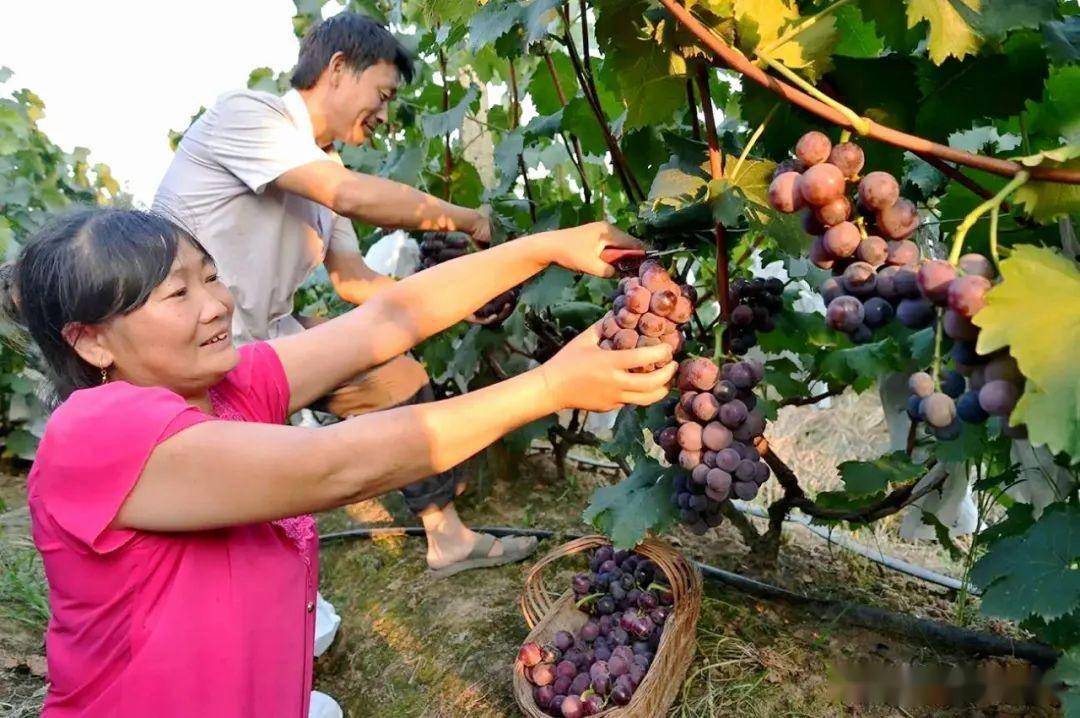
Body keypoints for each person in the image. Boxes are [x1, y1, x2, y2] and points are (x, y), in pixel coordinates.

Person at [9, 208, 674, 716]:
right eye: (178, 295)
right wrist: (549, 388)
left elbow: (387, 318)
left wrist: (544, 248)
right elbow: (336, 465)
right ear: (93, 341)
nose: (216, 304)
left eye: (209, 276)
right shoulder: (95, 433)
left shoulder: (225, 385)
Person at [153, 12, 516, 575]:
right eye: (383, 93)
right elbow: (346, 194)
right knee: (241, 514)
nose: (386, 113)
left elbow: (353, 280)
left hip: (269, 340)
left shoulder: (326, 166)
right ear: (339, 68)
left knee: (396, 379)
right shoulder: (249, 115)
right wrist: (466, 220)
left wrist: (460, 302)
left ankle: (447, 538)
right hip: (194, 351)